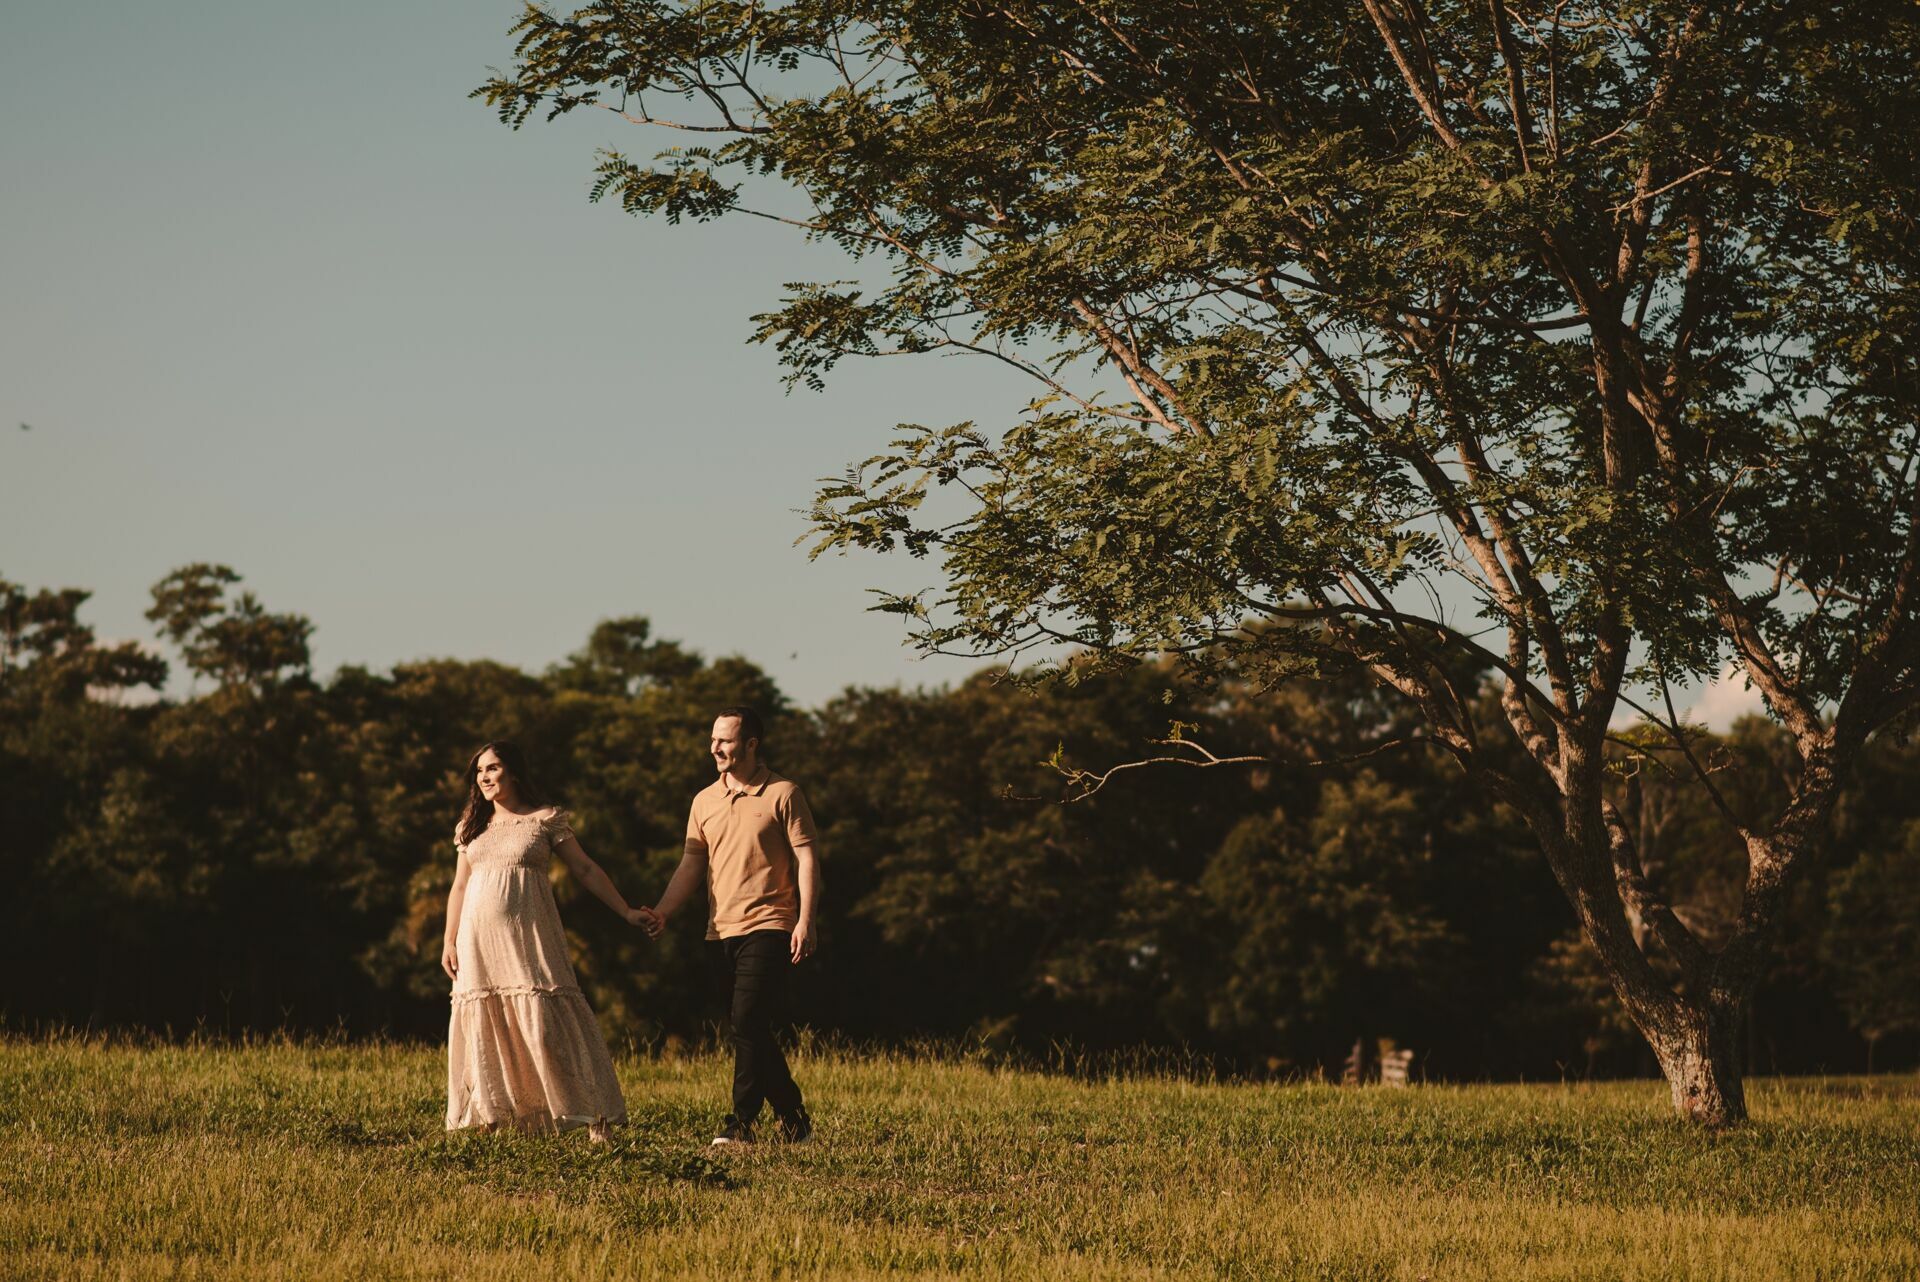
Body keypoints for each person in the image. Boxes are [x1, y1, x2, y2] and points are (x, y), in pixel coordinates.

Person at [442, 740, 649, 1140]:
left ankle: (595, 1118)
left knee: (547, 1026)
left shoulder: (545, 819)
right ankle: (497, 1120)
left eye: (494, 768)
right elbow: (460, 884)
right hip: (476, 943)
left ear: (514, 772)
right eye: (480, 771)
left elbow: (585, 869)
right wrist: (449, 940)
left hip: (529, 938)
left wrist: (626, 911)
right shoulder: (471, 824)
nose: (485, 777)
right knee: (487, 1025)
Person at [637, 706, 821, 1145]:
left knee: (747, 1017)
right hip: (719, 929)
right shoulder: (704, 801)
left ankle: (741, 1124)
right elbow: (691, 863)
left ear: (751, 745)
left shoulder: (783, 793)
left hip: (771, 922)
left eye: (726, 740)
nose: (715, 748)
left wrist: (806, 921)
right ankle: (793, 1118)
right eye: (713, 739)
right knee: (748, 1026)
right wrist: (663, 909)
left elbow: (808, 857)